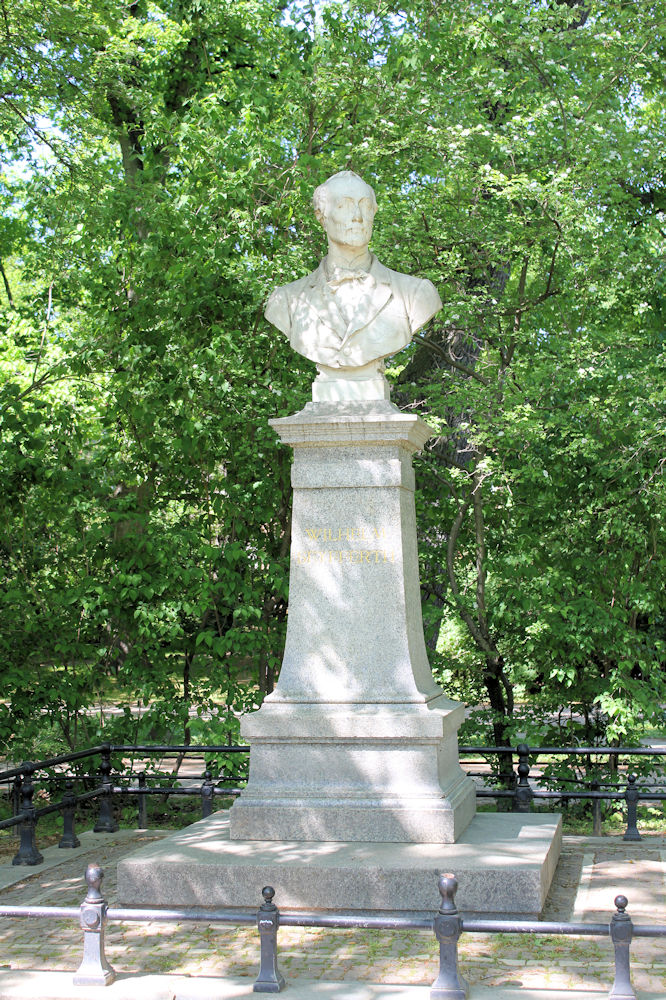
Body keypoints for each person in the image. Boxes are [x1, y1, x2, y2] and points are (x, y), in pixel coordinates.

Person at [264, 171, 442, 389]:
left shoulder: (415, 294)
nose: (358, 216)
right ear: (321, 217)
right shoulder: (287, 300)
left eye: (365, 206)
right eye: (344, 206)